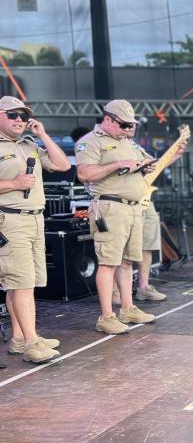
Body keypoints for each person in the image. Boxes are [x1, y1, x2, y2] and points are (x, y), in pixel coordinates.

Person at [75, 100, 156, 335]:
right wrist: (119, 164)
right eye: (123, 124)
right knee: (108, 262)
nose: (126, 129)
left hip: (132, 207)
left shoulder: (128, 142)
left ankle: (127, 307)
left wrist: (144, 166)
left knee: (128, 260)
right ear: (108, 119)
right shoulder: (90, 142)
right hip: (110, 207)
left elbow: (141, 161)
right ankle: (106, 315)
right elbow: (84, 173)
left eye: (130, 125)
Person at [0, 96, 70, 362]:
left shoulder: (29, 144)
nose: (20, 120)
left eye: (24, 116)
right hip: (9, 220)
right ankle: (31, 342)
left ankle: (20, 338)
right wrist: (14, 184)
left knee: (19, 285)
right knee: (22, 283)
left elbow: (63, 166)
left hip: (35, 220)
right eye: (13, 115)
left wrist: (43, 135)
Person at [113, 123, 185, 302]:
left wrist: (175, 153)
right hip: (124, 200)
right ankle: (115, 290)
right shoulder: (112, 147)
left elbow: (155, 166)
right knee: (120, 249)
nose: (132, 128)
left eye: (133, 125)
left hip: (145, 200)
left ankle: (143, 287)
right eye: (127, 124)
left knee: (147, 244)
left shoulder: (136, 147)